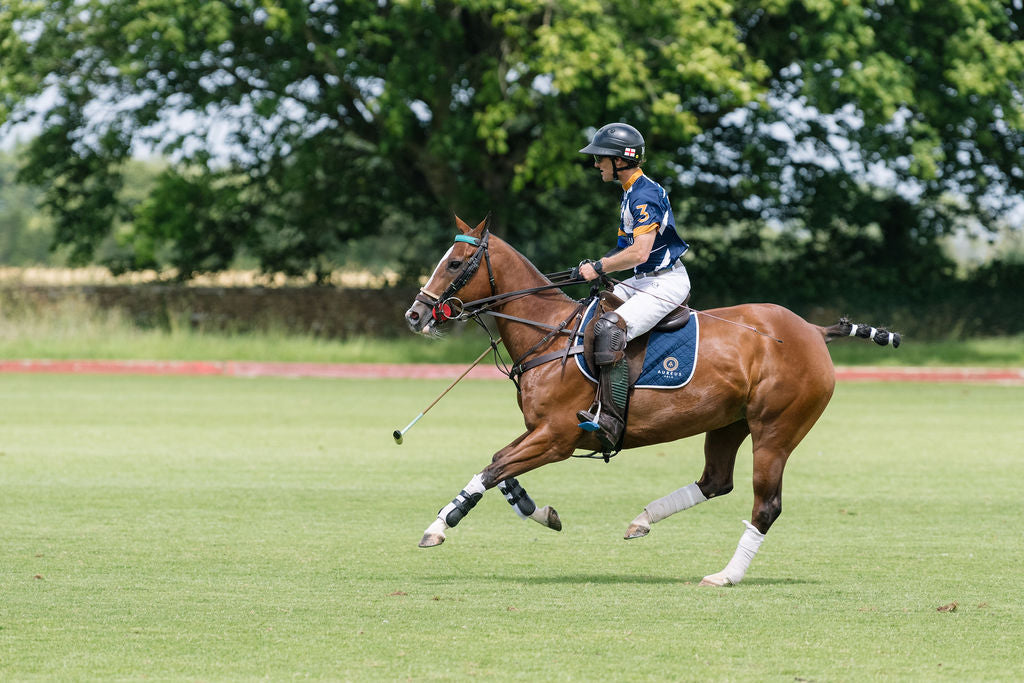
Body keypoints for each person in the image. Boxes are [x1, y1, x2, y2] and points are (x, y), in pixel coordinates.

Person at [573, 122, 691, 452]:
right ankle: (589, 396)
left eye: (601, 158)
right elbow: (624, 248)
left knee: (611, 328)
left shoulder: (644, 194)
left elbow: (640, 252)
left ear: (620, 160)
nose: (596, 164)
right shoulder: (629, 194)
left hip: (665, 281)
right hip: (643, 279)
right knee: (591, 313)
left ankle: (610, 420)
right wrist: (593, 268)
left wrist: (599, 267)